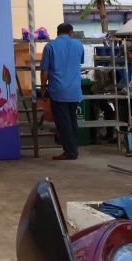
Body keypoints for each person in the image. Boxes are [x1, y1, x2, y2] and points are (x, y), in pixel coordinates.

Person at [41, 22, 85, 160]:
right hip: (75, 90)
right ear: (71, 33)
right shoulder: (78, 45)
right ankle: (73, 149)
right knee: (72, 121)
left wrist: (43, 87)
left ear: (57, 33)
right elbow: (79, 62)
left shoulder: (50, 46)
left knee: (63, 123)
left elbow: (44, 70)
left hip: (58, 91)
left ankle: (70, 152)